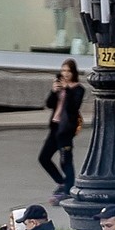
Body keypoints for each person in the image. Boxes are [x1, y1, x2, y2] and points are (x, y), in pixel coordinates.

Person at [39, 60, 85, 204]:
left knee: (66, 161)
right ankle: (62, 183)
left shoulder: (78, 89)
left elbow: (73, 107)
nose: (65, 74)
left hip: (66, 130)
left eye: (68, 71)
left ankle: (68, 190)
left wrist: (68, 90)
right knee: (44, 158)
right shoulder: (60, 87)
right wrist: (54, 91)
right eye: (63, 70)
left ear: (73, 73)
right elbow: (49, 104)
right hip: (55, 127)